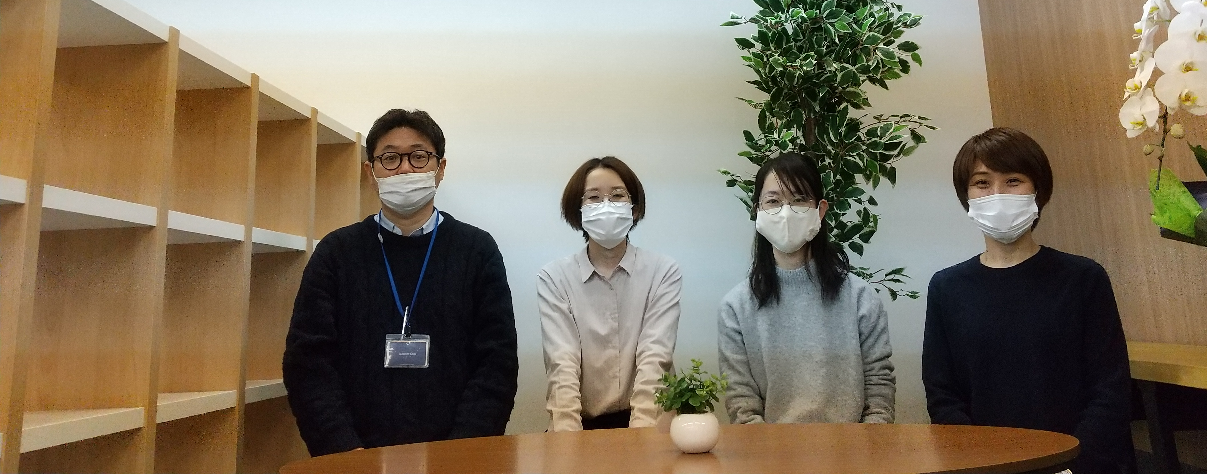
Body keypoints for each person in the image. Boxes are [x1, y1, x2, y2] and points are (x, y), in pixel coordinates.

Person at [283, 108, 518, 456]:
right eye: (390, 158)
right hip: (355, 459)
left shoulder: (477, 251)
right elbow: (308, 363)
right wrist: (345, 453)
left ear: (440, 169)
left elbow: (496, 364)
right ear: (370, 172)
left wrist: (460, 455)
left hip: (454, 459)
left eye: (419, 157)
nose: (405, 169)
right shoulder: (336, 253)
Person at [922, 127, 1132, 474]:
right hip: (985, 467)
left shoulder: (1083, 278)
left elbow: (1110, 389)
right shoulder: (947, 288)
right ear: (966, 196)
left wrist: (1074, 467)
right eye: (982, 183)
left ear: (1039, 190)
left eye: (1013, 181)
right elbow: (942, 396)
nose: (997, 194)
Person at [718, 152, 895, 424]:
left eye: (799, 199)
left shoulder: (861, 298)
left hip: (852, 447)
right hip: (770, 449)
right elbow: (742, 403)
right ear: (757, 212)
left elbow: (879, 392)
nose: (786, 212)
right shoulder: (735, 307)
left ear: (820, 210)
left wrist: (864, 445)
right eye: (773, 201)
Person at [537, 156, 682, 431]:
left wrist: (640, 437)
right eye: (593, 197)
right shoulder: (554, 277)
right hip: (581, 424)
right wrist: (568, 439)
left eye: (617, 196)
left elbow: (655, 356)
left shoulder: (662, 271)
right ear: (578, 211)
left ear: (634, 210)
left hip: (650, 424)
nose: (606, 205)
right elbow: (562, 362)